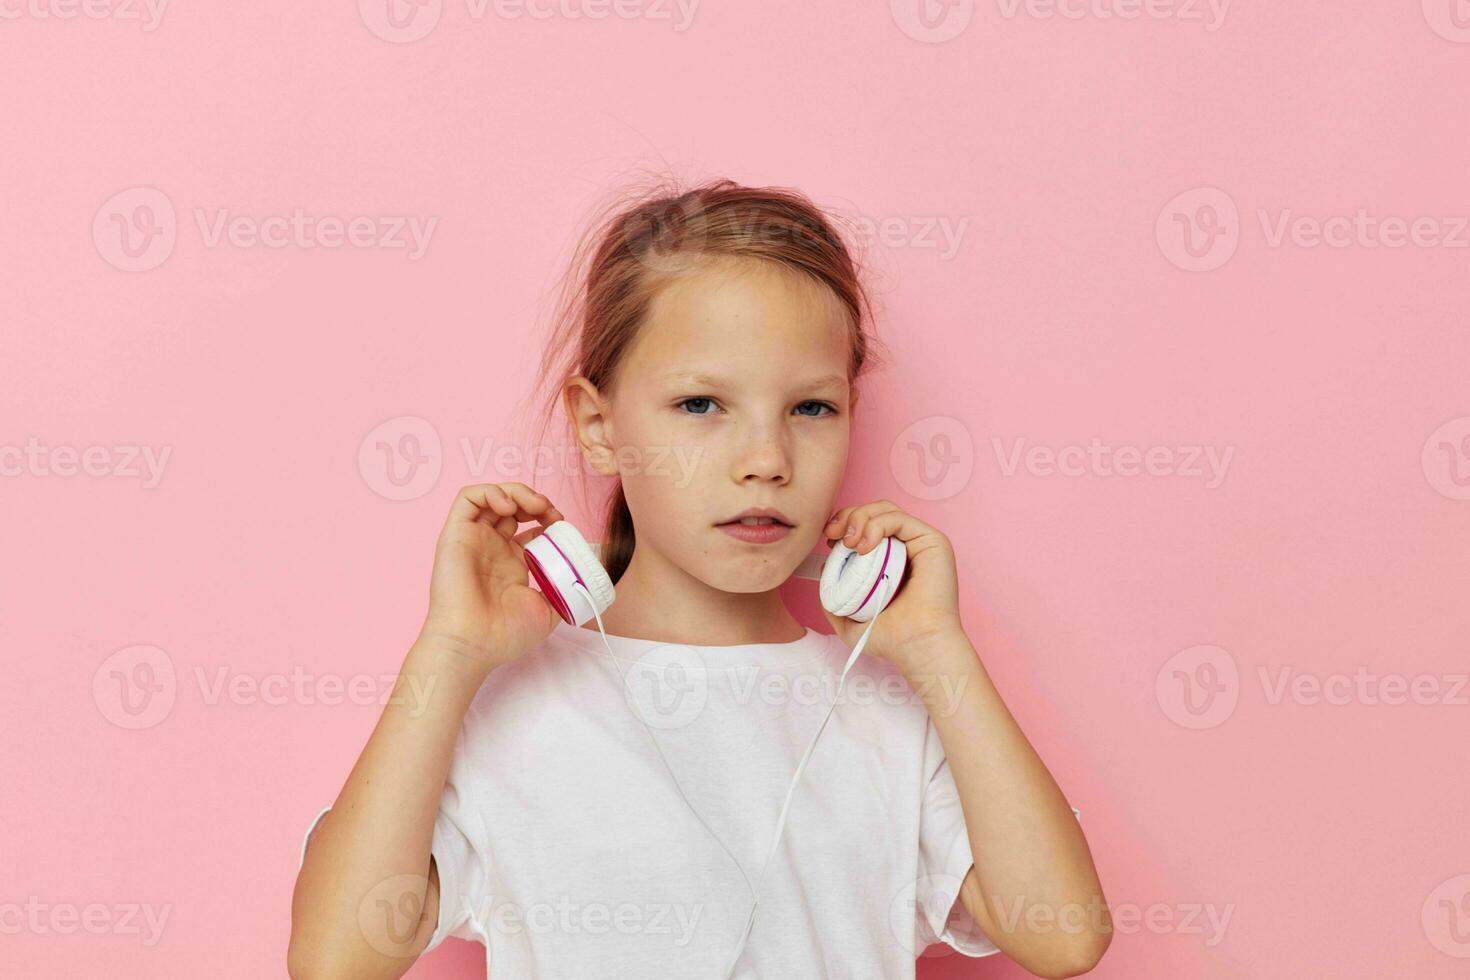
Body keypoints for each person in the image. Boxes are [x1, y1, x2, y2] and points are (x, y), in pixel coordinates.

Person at [287, 178, 1110, 979]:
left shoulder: (891, 706)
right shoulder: (509, 706)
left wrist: (938, 652)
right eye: (701, 405)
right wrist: (449, 654)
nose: (766, 462)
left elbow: (1066, 937)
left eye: (811, 409)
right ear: (600, 426)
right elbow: (337, 959)